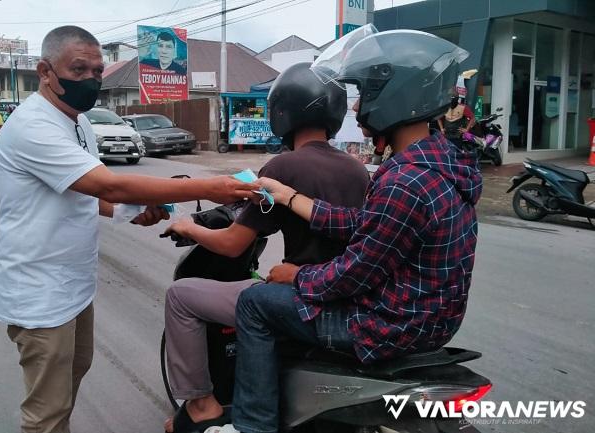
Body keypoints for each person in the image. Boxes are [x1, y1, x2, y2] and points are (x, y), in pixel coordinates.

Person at [207, 30, 483, 433]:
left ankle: (252, 425)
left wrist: (296, 275)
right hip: (435, 322)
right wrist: (290, 198)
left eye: (365, 95)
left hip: (388, 325)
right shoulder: (442, 166)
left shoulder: (403, 181)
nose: (356, 108)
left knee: (256, 303)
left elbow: (351, 275)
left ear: (393, 98)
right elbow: (369, 224)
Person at [0, 25, 256, 433]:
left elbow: (84, 192)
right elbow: (107, 183)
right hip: (38, 294)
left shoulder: (76, 123)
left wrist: (135, 211)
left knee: (72, 379)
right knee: (47, 411)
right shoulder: (33, 127)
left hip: (73, 287)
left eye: (97, 71)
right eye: (78, 69)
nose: (91, 79)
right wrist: (209, 187)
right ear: (45, 71)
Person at [162, 62, 370, 433]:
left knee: (181, 295)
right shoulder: (358, 169)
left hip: (298, 294)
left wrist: (189, 227)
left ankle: (202, 406)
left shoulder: (283, 166)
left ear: (282, 112)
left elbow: (231, 244)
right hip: (346, 297)